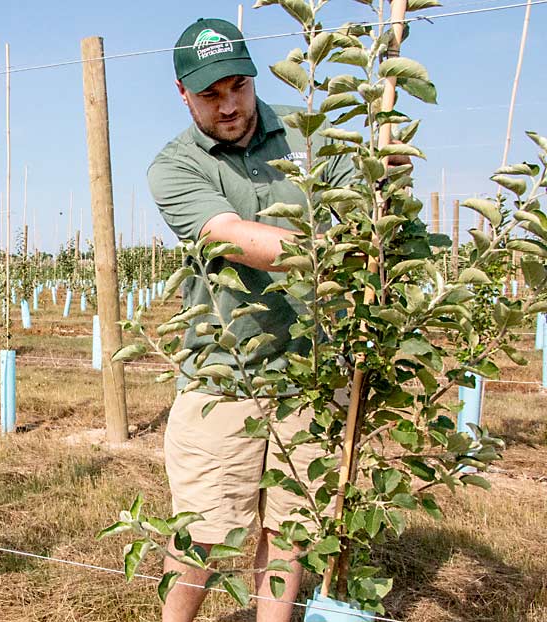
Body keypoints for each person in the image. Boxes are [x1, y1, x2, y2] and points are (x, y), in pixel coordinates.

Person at [147, 18, 357, 622]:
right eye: (210, 95)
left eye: (238, 86)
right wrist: (336, 250)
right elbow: (234, 238)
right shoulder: (175, 166)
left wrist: (381, 184)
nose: (229, 105)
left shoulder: (310, 132)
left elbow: (363, 204)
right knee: (202, 533)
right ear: (183, 93)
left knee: (293, 527)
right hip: (225, 374)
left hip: (313, 372)